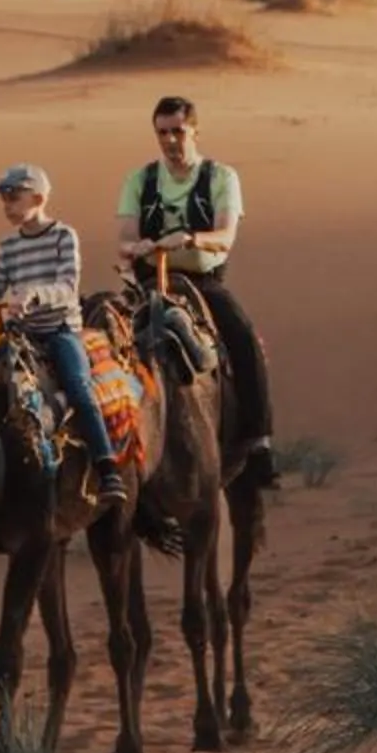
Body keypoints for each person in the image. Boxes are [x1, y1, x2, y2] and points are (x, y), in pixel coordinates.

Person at [115, 95, 279, 488]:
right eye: (162, 133)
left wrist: (188, 238)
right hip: (151, 282)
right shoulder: (140, 180)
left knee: (242, 337)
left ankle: (258, 441)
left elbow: (225, 236)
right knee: (106, 343)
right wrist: (137, 247)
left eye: (178, 132)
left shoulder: (221, 177)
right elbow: (124, 237)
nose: (170, 141)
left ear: (195, 131)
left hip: (202, 283)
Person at [0, 165, 129, 508]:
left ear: (38, 198)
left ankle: (107, 466)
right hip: (19, 332)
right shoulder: (8, 245)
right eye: (4, 199)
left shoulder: (63, 236)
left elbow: (68, 286)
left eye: (13, 197)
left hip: (59, 331)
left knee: (80, 388)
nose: (7, 205)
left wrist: (34, 295)